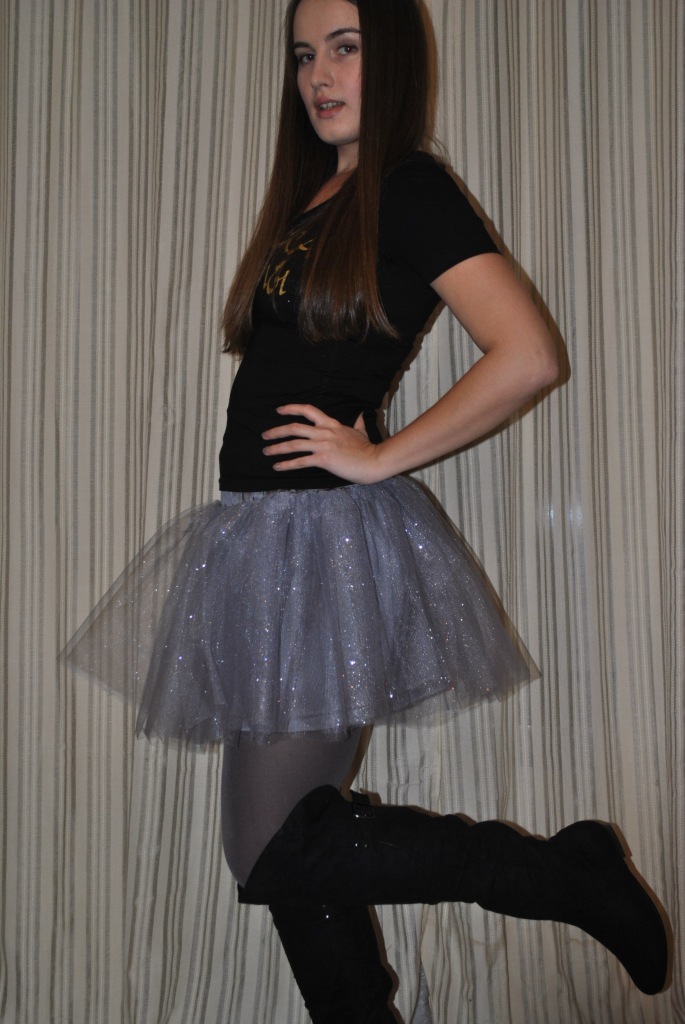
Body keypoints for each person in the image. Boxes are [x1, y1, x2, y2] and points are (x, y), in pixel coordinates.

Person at [64, 0, 669, 1020]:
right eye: (304, 55)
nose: (318, 74)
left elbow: (527, 354)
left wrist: (378, 454)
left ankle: (563, 874)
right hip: (260, 536)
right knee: (289, 848)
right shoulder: (314, 197)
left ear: (389, 59)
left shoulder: (406, 187)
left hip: (317, 543)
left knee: (269, 847)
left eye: (344, 49)